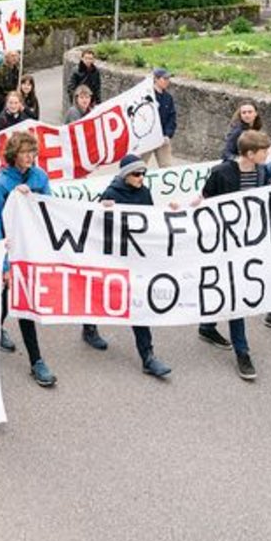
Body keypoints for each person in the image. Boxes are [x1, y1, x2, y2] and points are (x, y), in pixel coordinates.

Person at [196, 129, 271, 381]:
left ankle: (207, 326)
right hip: (223, 243)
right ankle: (242, 351)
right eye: (264, 151)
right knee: (235, 294)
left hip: (248, 243)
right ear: (250, 153)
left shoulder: (262, 171)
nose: (268, 155)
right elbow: (206, 200)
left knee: (235, 290)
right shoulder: (221, 172)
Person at [82, 156, 172, 378]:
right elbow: (95, 225)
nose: (141, 178)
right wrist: (102, 210)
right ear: (125, 175)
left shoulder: (145, 192)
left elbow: (151, 220)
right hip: (114, 256)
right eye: (136, 174)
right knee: (102, 293)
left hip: (136, 257)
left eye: (143, 173)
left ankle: (147, 356)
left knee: (136, 303)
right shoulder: (111, 194)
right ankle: (89, 326)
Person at [0, 131, 56, 387]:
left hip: (30, 251)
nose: (29, 157)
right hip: (9, 251)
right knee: (4, 301)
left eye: (32, 152)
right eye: (24, 152)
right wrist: (3, 265)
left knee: (23, 303)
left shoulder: (40, 177)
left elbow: (49, 209)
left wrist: (31, 197)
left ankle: (34, 359)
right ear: (14, 155)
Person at [146, 67, 176, 168]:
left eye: (168, 79)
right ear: (156, 79)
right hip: (146, 138)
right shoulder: (146, 95)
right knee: (139, 165)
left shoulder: (168, 98)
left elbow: (172, 117)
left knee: (166, 167)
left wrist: (167, 134)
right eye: (164, 79)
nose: (167, 81)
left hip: (162, 138)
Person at [0, 50, 21, 122]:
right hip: (3, 101)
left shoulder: (18, 71)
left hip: (15, 101)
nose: (14, 58)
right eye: (12, 56)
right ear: (7, 57)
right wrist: (4, 99)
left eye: (16, 56)